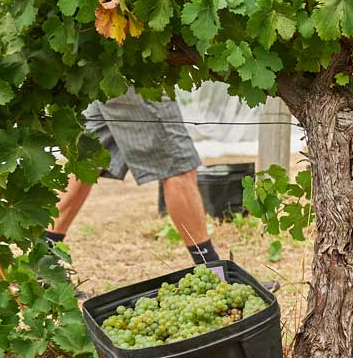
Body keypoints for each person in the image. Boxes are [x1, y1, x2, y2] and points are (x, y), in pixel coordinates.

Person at [47, 89, 223, 294]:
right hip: (132, 74)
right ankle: (211, 271)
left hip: (104, 70)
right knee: (178, 164)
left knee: (88, 158)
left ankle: (45, 257)